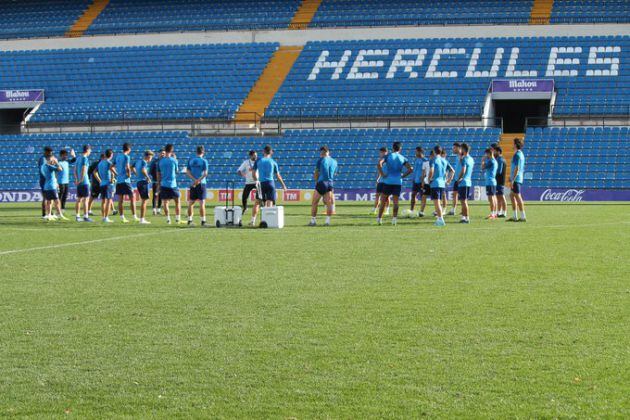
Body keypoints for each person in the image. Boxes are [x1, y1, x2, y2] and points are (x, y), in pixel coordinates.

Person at [377, 142, 412, 226]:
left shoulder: (388, 156)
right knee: (396, 202)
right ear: (400, 149)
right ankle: (394, 220)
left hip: (388, 181)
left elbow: (379, 163)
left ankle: (379, 219)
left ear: (392, 148)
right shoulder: (402, 158)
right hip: (397, 182)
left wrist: (382, 174)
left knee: (383, 201)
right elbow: (410, 169)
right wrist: (403, 176)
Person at [309, 146, 338, 226]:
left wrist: (316, 182)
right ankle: (327, 221)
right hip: (330, 182)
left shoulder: (320, 160)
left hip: (322, 182)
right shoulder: (334, 161)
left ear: (322, 153)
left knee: (314, 202)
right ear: (328, 152)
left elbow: (316, 173)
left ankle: (313, 221)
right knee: (329, 202)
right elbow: (335, 173)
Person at [157, 144, 182, 224]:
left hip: (164, 184)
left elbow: (158, 174)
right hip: (173, 184)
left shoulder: (160, 161)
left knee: (165, 202)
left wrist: (159, 184)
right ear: (171, 151)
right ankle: (177, 218)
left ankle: (168, 219)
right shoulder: (174, 160)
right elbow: (177, 171)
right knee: (177, 201)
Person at [114, 143, 137, 223]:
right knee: (132, 197)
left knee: (120, 200)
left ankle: (122, 217)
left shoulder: (117, 156)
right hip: (125, 180)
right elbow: (127, 167)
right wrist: (129, 174)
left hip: (119, 181)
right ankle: (135, 216)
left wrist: (116, 173)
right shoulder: (127, 156)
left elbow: (111, 167)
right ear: (129, 149)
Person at [186, 145, 209, 226]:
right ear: (203, 152)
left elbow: (187, 172)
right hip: (201, 183)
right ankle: (203, 221)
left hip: (192, 184)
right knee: (202, 202)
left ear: (196, 152)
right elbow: (205, 173)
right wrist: (198, 180)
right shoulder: (204, 161)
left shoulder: (191, 160)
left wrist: (194, 180)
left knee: (191, 202)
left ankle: (189, 220)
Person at [40, 151, 66, 221]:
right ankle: (60, 214)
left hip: (46, 186)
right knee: (57, 201)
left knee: (49, 201)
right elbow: (60, 169)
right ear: (49, 159)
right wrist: (57, 162)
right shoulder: (49, 166)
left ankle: (49, 215)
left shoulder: (43, 166)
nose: (53, 160)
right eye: (52, 159)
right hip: (52, 186)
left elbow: (49, 175)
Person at [237, 150, 260, 224]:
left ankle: (261, 207)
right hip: (248, 182)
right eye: (254, 155)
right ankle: (245, 208)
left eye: (256, 155)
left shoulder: (259, 161)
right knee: (244, 197)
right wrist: (243, 175)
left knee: (260, 196)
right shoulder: (246, 162)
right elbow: (239, 170)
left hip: (257, 181)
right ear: (250, 156)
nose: (256, 156)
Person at [429, 145, 448, 227]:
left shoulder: (433, 160)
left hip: (435, 183)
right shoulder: (444, 160)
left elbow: (432, 170)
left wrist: (429, 178)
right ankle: (439, 219)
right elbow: (448, 171)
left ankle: (440, 219)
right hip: (442, 183)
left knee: (436, 203)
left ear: (434, 151)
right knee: (439, 202)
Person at [508, 138, 527, 222]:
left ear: (515, 145)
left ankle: (523, 216)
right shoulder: (520, 154)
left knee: (518, 196)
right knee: (512, 195)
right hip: (517, 178)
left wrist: (512, 179)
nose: (512, 145)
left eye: (513, 143)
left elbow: (517, 168)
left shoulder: (517, 155)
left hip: (516, 179)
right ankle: (515, 216)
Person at [134, 150, 154, 224]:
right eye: (151, 157)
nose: (151, 159)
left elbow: (131, 167)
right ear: (148, 156)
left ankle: (142, 219)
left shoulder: (138, 161)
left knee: (144, 200)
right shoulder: (144, 162)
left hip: (139, 182)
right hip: (143, 183)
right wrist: (148, 177)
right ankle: (142, 219)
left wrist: (136, 174)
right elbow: (143, 170)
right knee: (144, 201)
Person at [456, 143, 474, 224]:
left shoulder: (464, 159)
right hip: (468, 181)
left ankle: (467, 218)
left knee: (463, 201)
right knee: (463, 201)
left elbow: (463, 170)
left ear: (463, 149)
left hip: (463, 182)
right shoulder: (471, 159)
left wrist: (459, 178)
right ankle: (464, 217)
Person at [74, 145, 93, 222]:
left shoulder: (78, 158)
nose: (90, 152)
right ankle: (86, 216)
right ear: (87, 150)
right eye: (90, 150)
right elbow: (84, 169)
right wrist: (81, 179)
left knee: (79, 199)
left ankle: (77, 216)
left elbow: (74, 169)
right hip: (84, 181)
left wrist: (76, 179)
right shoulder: (85, 159)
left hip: (79, 182)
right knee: (86, 199)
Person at [97, 149, 117, 223]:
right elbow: (112, 172)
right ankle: (106, 217)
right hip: (108, 183)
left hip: (102, 183)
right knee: (109, 200)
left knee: (103, 201)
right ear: (111, 155)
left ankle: (103, 217)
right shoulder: (109, 162)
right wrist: (114, 177)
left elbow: (95, 172)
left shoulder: (100, 163)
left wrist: (100, 180)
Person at [371, 147, 389, 216]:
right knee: (377, 195)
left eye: (382, 152)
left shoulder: (388, 160)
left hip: (387, 181)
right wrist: (378, 178)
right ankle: (374, 209)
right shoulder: (380, 160)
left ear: (385, 152)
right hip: (381, 180)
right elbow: (380, 171)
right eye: (380, 152)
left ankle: (387, 210)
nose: (380, 153)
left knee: (387, 197)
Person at [482, 148, 498, 220]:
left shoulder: (491, 161)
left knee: (491, 198)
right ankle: (494, 213)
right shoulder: (494, 161)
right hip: (492, 181)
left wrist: (482, 160)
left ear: (489, 153)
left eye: (486, 154)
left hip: (490, 181)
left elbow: (482, 167)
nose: (486, 155)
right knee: (493, 198)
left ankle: (492, 214)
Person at [37, 147, 53, 218]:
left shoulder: (46, 158)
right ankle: (44, 213)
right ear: (46, 152)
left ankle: (49, 212)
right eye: (49, 152)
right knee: (46, 197)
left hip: (47, 180)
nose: (50, 153)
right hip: (44, 181)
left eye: (51, 152)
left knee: (48, 196)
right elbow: (42, 170)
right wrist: (47, 178)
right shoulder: (43, 159)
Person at [493, 145, 508, 218]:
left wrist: (492, 173)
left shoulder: (500, 160)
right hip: (499, 180)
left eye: (495, 151)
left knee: (501, 196)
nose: (494, 152)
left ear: (498, 152)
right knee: (499, 197)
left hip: (500, 180)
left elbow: (499, 171)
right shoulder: (500, 159)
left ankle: (504, 212)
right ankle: (499, 212)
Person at [447, 142, 462, 216]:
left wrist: (462, 177)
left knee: (462, 196)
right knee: (455, 194)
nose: (453, 149)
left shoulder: (463, 156)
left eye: (454, 148)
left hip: (461, 179)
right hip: (456, 178)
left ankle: (463, 210)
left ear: (459, 148)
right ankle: (453, 210)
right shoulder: (457, 156)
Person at [409, 147, 425, 216]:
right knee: (413, 195)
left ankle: (422, 211)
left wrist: (423, 180)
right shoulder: (416, 160)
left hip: (421, 182)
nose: (415, 153)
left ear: (420, 152)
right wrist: (413, 178)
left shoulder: (425, 160)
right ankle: (411, 210)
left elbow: (426, 171)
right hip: (415, 181)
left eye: (416, 152)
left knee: (422, 197)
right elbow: (415, 170)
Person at [150, 148, 164, 215]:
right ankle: (154, 209)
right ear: (158, 154)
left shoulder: (165, 161)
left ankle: (158, 209)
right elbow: (150, 171)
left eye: (164, 153)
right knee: (155, 195)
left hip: (163, 182)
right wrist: (155, 177)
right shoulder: (154, 161)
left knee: (161, 195)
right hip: (155, 181)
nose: (162, 154)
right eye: (161, 153)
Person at [418, 150, 432, 217]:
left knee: (437, 198)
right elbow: (423, 174)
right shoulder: (425, 163)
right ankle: (421, 211)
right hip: (427, 182)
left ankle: (437, 211)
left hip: (434, 182)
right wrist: (422, 182)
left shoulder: (437, 162)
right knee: (424, 197)